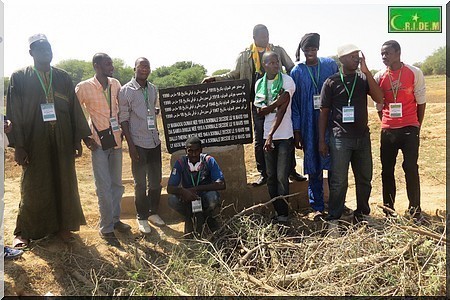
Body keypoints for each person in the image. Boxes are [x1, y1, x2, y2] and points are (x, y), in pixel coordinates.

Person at [6, 34, 91, 248]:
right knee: (34, 185)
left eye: (49, 48)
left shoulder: (62, 77)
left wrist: (76, 140)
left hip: (62, 140)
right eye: (41, 49)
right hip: (35, 141)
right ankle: (24, 231)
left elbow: (73, 109)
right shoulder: (20, 77)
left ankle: (63, 226)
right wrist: (19, 145)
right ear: (31, 53)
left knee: (64, 182)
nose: (46, 52)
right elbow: (14, 112)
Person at [202, 24, 305, 187]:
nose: (266, 39)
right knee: (260, 139)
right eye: (263, 36)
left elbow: (292, 68)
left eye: (267, 35)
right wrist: (214, 79)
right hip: (258, 102)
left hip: (280, 99)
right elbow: (233, 74)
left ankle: (290, 170)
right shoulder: (245, 55)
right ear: (254, 38)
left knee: (286, 136)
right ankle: (263, 173)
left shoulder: (277, 51)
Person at [319, 44, 383, 225]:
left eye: (358, 56)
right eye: (353, 56)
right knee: (339, 181)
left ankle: (362, 214)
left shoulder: (363, 79)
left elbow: (379, 98)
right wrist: (321, 141)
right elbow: (324, 112)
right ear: (342, 59)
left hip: (362, 137)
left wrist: (367, 71)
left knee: (364, 178)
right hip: (340, 138)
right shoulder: (331, 82)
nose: (357, 58)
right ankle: (334, 217)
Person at [76, 53, 130, 247]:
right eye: (107, 63)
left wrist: (123, 131)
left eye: (112, 63)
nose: (111, 66)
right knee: (104, 187)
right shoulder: (84, 87)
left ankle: (115, 220)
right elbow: (75, 112)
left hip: (116, 141)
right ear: (96, 66)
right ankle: (106, 228)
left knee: (117, 185)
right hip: (98, 143)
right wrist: (85, 137)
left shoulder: (115, 84)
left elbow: (121, 108)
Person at [374, 40, 426, 222]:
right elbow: (379, 105)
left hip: (410, 128)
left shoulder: (414, 72)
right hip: (388, 130)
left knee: (410, 168)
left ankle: (415, 209)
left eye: (387, 53)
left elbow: (421, 102)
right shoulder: (379, 76)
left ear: (398, 53)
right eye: (382, 54)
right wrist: (387, 122)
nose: (383, 57)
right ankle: (389, 210)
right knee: (387, 171)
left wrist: (416, 125)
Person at [290, 33, 339, 219]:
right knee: (313, 167)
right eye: (306, 50)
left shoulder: (329, 65)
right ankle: (317, 207)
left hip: (331, 122)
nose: (310, 52)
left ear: (317, 49)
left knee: (335, 165)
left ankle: (336, 204)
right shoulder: (297, 72)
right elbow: (294, 105)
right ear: (302, 51)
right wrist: (297, 130)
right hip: (308, 125)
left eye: (313, 49)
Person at [119, 57, 165, 234]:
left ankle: (153, 212)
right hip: (137, 143)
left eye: (147, 66)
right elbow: (123, 119)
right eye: (141, 66)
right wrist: (130, 146)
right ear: (135, 69)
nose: (145, 69)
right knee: (140, 183)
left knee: (155, 180)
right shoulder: (126, 91)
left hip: (154, 141)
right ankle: (142, 217)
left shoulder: (153, 89)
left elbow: (153, 111)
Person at [254, 51, 296, 222]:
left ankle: (284, 214)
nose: (275, 65)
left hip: (284, 135)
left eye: (277, 61)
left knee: (281, 176)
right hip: (266, 135)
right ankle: (278, 211)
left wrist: (268, 109)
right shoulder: (259, 84)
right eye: (271, 62)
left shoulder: (287, 80)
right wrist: (274, 104)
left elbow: (283, 107)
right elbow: (259, 110)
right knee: (271, 176)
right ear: (264, 65)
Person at [167, 136, 226, 235]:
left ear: (201, 150)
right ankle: (189, 216)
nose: (194, 154)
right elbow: (170, 188)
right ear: (186, 151)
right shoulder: (181, 162)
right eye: (190, 151)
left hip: (204, 196)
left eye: (197, 150)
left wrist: (196, 189)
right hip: (187, 198)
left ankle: (207, 216)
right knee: (172, 199)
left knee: (213, 197)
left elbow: (222, 184)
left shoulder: (208, 160)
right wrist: (183, 191)